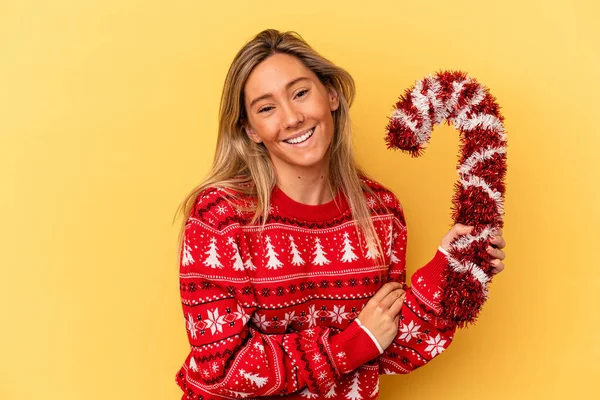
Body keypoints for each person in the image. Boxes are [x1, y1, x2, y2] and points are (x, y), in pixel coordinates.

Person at [173, 29, 506, 400]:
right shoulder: (220, 220)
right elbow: (221, 369)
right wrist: (346, 347)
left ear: (331, 95)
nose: (292, 118)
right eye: (267, 108)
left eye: (300, 93)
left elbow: (389, 348)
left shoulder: (381, 213)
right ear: (251, 130)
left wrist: (452, 271)